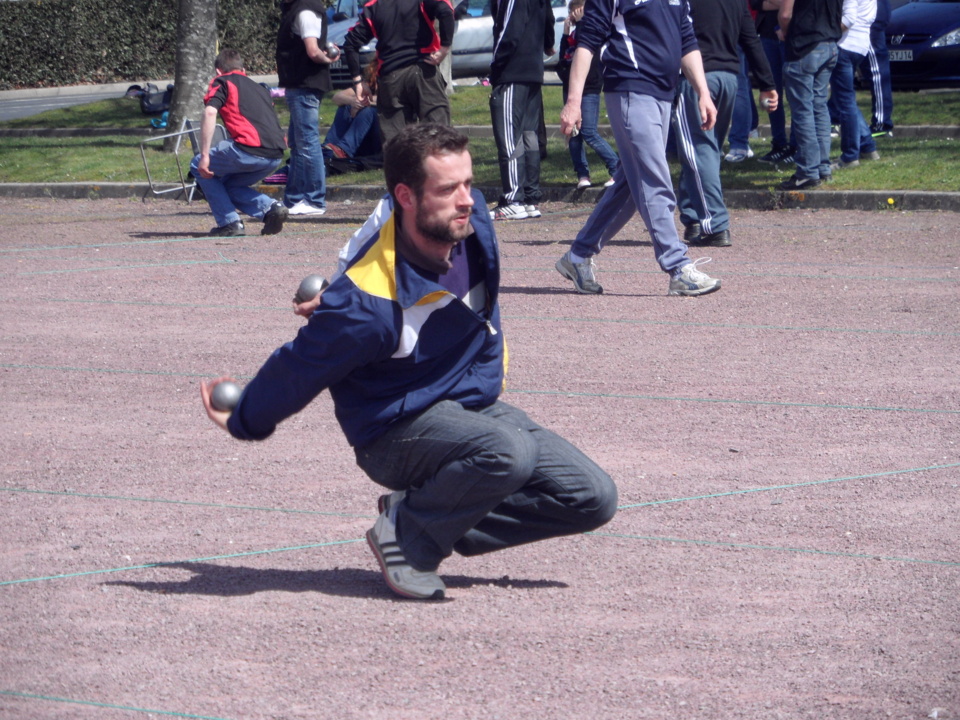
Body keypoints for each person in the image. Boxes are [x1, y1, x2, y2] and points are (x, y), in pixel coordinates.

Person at [200, 124, 618, 601]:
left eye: (468, 183)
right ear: (407, 196)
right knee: (508, 452)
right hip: (392, 428)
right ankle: (409, 539)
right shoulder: (367, 309)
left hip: (466, 402)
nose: (467, 200)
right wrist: (246, 417)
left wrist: (333, 286)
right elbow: (298, 369)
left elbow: (375, 230)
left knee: (592, 497)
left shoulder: (473, 221)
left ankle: (430, 511)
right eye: (448, 189)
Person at [555, 0, 722, 297]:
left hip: (664, 93)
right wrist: (573, 102)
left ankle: (578, 256)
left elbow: (687, 40)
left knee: (630, 186)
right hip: (630, 89)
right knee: (653, 180)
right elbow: (587, 41)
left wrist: (703, 93)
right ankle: (678, 267)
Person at [674, 0, 778, 248]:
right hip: (728, 78)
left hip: (697, 79)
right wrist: (767, 83)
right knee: (703, 152)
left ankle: (715, 224)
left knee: (699, 151)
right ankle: (693, 216)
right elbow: (751, 40)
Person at [190, 49, 289, 238]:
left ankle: (229, 223)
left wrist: (204, 155)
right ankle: (271, 209)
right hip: (275, 154)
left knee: (197, 165)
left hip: (247, 149)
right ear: (244, 70)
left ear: (218, 71)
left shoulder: (222, 81)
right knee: (228, 186)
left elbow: (210, 112)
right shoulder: (261, 88)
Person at [342, 0, 455, 147]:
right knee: (438, 135)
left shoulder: (373, 6)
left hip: (391, 77)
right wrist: (444, 47)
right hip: (424, 71)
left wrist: (358, 81)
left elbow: (350, 43)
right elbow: (446, 11)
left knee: (395, 144)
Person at [487, 0, 556, 220]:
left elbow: (509, 30)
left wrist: (495, 66)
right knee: (529, 136)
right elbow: (549, 18)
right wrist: (548, 43)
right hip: (533, 70)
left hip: (513, 71)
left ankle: (513, 199)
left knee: (510, 137)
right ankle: (529, 198)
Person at [276, 0, 337, 216]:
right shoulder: (298, 10)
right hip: (298, 84)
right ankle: (294, 198)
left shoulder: (305, 11)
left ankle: (314, 199)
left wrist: (328, 58)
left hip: (305, 84)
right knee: (297, 143)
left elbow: (312, 51)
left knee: (307, 143)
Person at [776, 0, 842, 191]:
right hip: (829, 43)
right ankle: (822, 167)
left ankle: (808, 171)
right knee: (819, 107)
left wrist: (786, 32)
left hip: (804, 45)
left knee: (803, 110)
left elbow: (785, 14)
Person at [557, 0, 620, 190]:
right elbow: (562, 60)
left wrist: (582, 22)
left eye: (578, 10)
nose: (574, 14)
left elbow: (586, 47)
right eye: (572, 12)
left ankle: (616, 168)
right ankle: (582, 174)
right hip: (571, 89)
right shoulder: (571, 36)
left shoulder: (592, 31)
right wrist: (565, 33)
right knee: (573, 134)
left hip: (590, 88)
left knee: (589, 132)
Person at [829, 0, 879, 171]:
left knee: (845, 103)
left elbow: (848, 19)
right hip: (860, 44)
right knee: (846, 100)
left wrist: (824, 34)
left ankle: (850, 156)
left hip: (845, 44)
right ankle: (867, 146)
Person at [752, 0, 798, 164]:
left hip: (791, 34)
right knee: (771, 91)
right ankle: (779, 143)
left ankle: (795, 145)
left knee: (795, 94)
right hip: (767, 34)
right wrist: (786, 4)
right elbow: (755, 3)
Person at [321, 64, 383, 172]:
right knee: (345, 107)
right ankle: (329, 148)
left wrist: (363, 104)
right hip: (361, 138)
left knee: (369, 111)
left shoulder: (396, 85)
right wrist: (353, 102)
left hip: (378, 140)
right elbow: (337, 97)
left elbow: (387, 100)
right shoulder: (368, 86)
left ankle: (344, 150)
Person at [859, 0, 894, 137]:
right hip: (863, 17)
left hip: (868, 20)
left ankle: (881, 123)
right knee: (842, 72)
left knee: (877, 73)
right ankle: (834, 115)